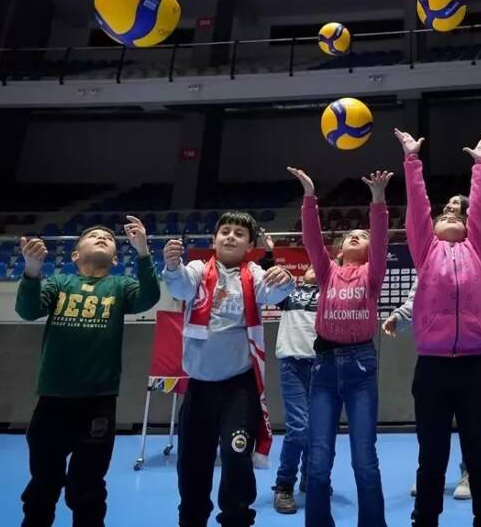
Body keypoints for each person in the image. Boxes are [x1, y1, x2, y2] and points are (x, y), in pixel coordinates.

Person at [16, 219, 161, 527]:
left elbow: (149, 298)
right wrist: (31, 271)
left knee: (88, 487)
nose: (101, 238)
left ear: (116, 258)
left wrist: (144, 252)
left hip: (98, 403)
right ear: (74, 255)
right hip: (53, 400)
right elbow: (28, 311)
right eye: (93, 236)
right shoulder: (58, 284)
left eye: (108, 238)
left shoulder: (121, 286)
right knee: (43, 483)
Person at [396, 128, 481, 527]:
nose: (451, 218)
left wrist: (480, 165)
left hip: (475, 366)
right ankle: (424, 520)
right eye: (445, 216)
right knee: (432, 456)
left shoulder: (478, 248)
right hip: (433, 369)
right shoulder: (425, 251)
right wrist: (412, 160)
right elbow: (418, 208)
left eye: (457, 215)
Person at [162, 212, 296, 527]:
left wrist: (285, 279)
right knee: (193, 463)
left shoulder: (254, 274)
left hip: (239, 388)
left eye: (239, 233)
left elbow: (274, 293)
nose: (231, 237)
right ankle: (191, 519)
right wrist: (171, 265)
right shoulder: (196, 269)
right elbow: (180, 288)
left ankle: (236, 519)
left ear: (250, 244)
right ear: (214, 239)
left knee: (236, 458)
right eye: (225, 231)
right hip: (199, 387)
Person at [384, 193, 481, 502]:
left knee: (476, 430)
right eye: (447, 205)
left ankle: (470, 472)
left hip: (471, 354)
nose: (451, 207)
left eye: (457, 204)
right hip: (435, 358)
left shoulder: (480, 247)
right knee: (432, 436)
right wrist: (401, 315)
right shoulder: (433, 249)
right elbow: (421, 293)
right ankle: (429, 481)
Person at [290, 166, 393, 527]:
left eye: (361, 235)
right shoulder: (327, 271)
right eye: (350, 234)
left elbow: (380, 239)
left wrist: (377, 200)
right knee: (318, 461)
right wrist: (309, 196)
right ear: (340, 247)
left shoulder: (372, 273)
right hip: (324, 368)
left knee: (364, 459)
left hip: (361, 369)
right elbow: (312, 241)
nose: (356, 236)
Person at [271, 259, 320, 514]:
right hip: (292, 366)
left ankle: (310, 476)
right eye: (308, 267)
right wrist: (269, 253)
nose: (312, 268)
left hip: (322, 367)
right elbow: (269, 283)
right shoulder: (289, 293)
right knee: (298, 428)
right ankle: (283, 484)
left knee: (316, 429)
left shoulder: (332, 294)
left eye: (318, 267)